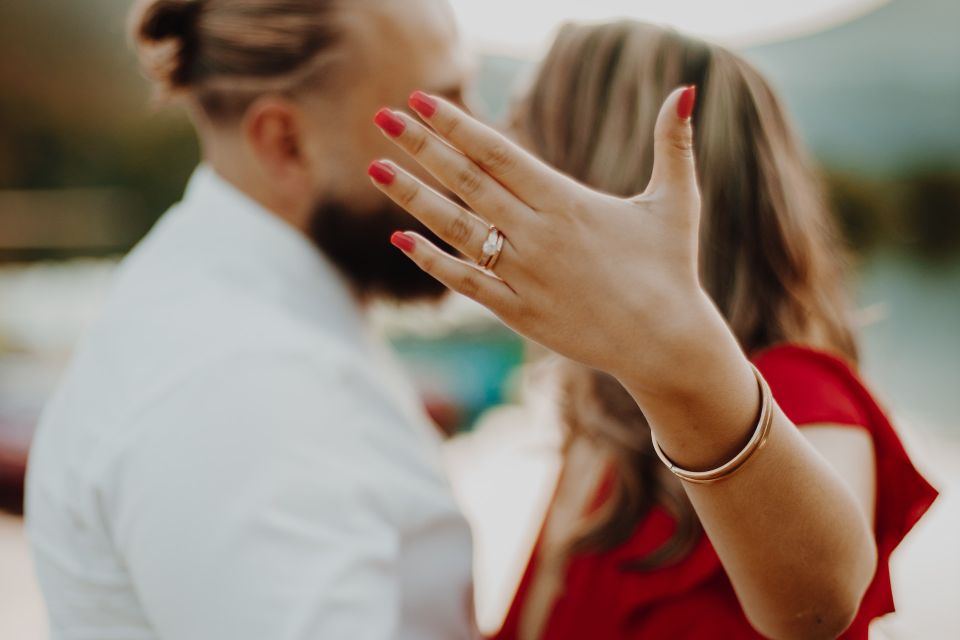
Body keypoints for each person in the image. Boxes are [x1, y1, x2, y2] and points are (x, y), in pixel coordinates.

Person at [369, 21, 939, 640]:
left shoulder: (798, 393)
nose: (501, 143)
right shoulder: (601, 420)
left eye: (529, 122)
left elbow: (819, 605)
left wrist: (675, 356)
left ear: (605, 166)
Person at [26, 1, 481, 638]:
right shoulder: (243, 387)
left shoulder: (230, 305)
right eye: (439, 111)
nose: (482, 149)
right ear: (285, 143)